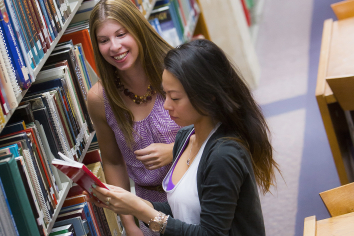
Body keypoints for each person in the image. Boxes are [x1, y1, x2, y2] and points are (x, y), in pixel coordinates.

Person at [87, 39, 281, 236]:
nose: (166, 105)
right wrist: (132, 203)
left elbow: (211, 233)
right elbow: (185, 211)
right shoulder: (186, 137)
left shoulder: (224, 155)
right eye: (166, 95)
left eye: (175, 98)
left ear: (209, 95)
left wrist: (142, 211)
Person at [87, 0, 181, 235]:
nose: (115, 46)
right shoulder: (99, 98)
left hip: (194, 187)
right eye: (104, 40)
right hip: (146, 206)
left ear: (137, 29)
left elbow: (213, 129)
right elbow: (113, 161)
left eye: (121, 34)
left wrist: (174, 150)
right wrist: (130, 224)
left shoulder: (175, 70)